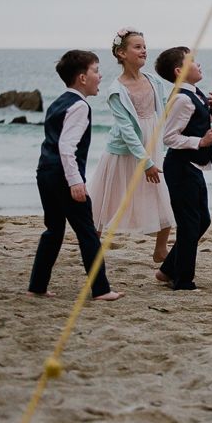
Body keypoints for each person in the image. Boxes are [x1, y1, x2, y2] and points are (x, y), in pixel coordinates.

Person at [27, 50, 124, 301]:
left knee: (54, 230)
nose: (100, 76)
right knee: (87, 232)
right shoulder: (80, 106)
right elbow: (66, 147)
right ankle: (101, 289)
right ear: (82, 78)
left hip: (45, 173)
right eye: (95, 71)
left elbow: (54, 143)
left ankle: (37, 286)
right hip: (63, 176)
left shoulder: (58, 102)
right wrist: (75, 182)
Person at [89, 28, 175, 263]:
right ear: (121, 53)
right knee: (104, 204)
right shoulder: (116, 90)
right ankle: (91, 249)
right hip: (124, 151)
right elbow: (127, 130)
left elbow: (168, 111)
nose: (144, 50)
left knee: (162, 196)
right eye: (137, 47)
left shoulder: (154, 81)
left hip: (152, 146)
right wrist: (144, 162)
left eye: (145, 46)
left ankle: (160, 249)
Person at [153, 46, 212, 291]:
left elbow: (196, 119)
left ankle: (167, 269)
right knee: (190, 224)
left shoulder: (194, 93)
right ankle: (182, 281)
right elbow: (169, 137)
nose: (198, 64)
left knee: (202, 220)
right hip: (180, 167)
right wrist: (200, 142)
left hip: (193, 166)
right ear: (180, 71)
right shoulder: (181, 98)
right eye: (192, 61)